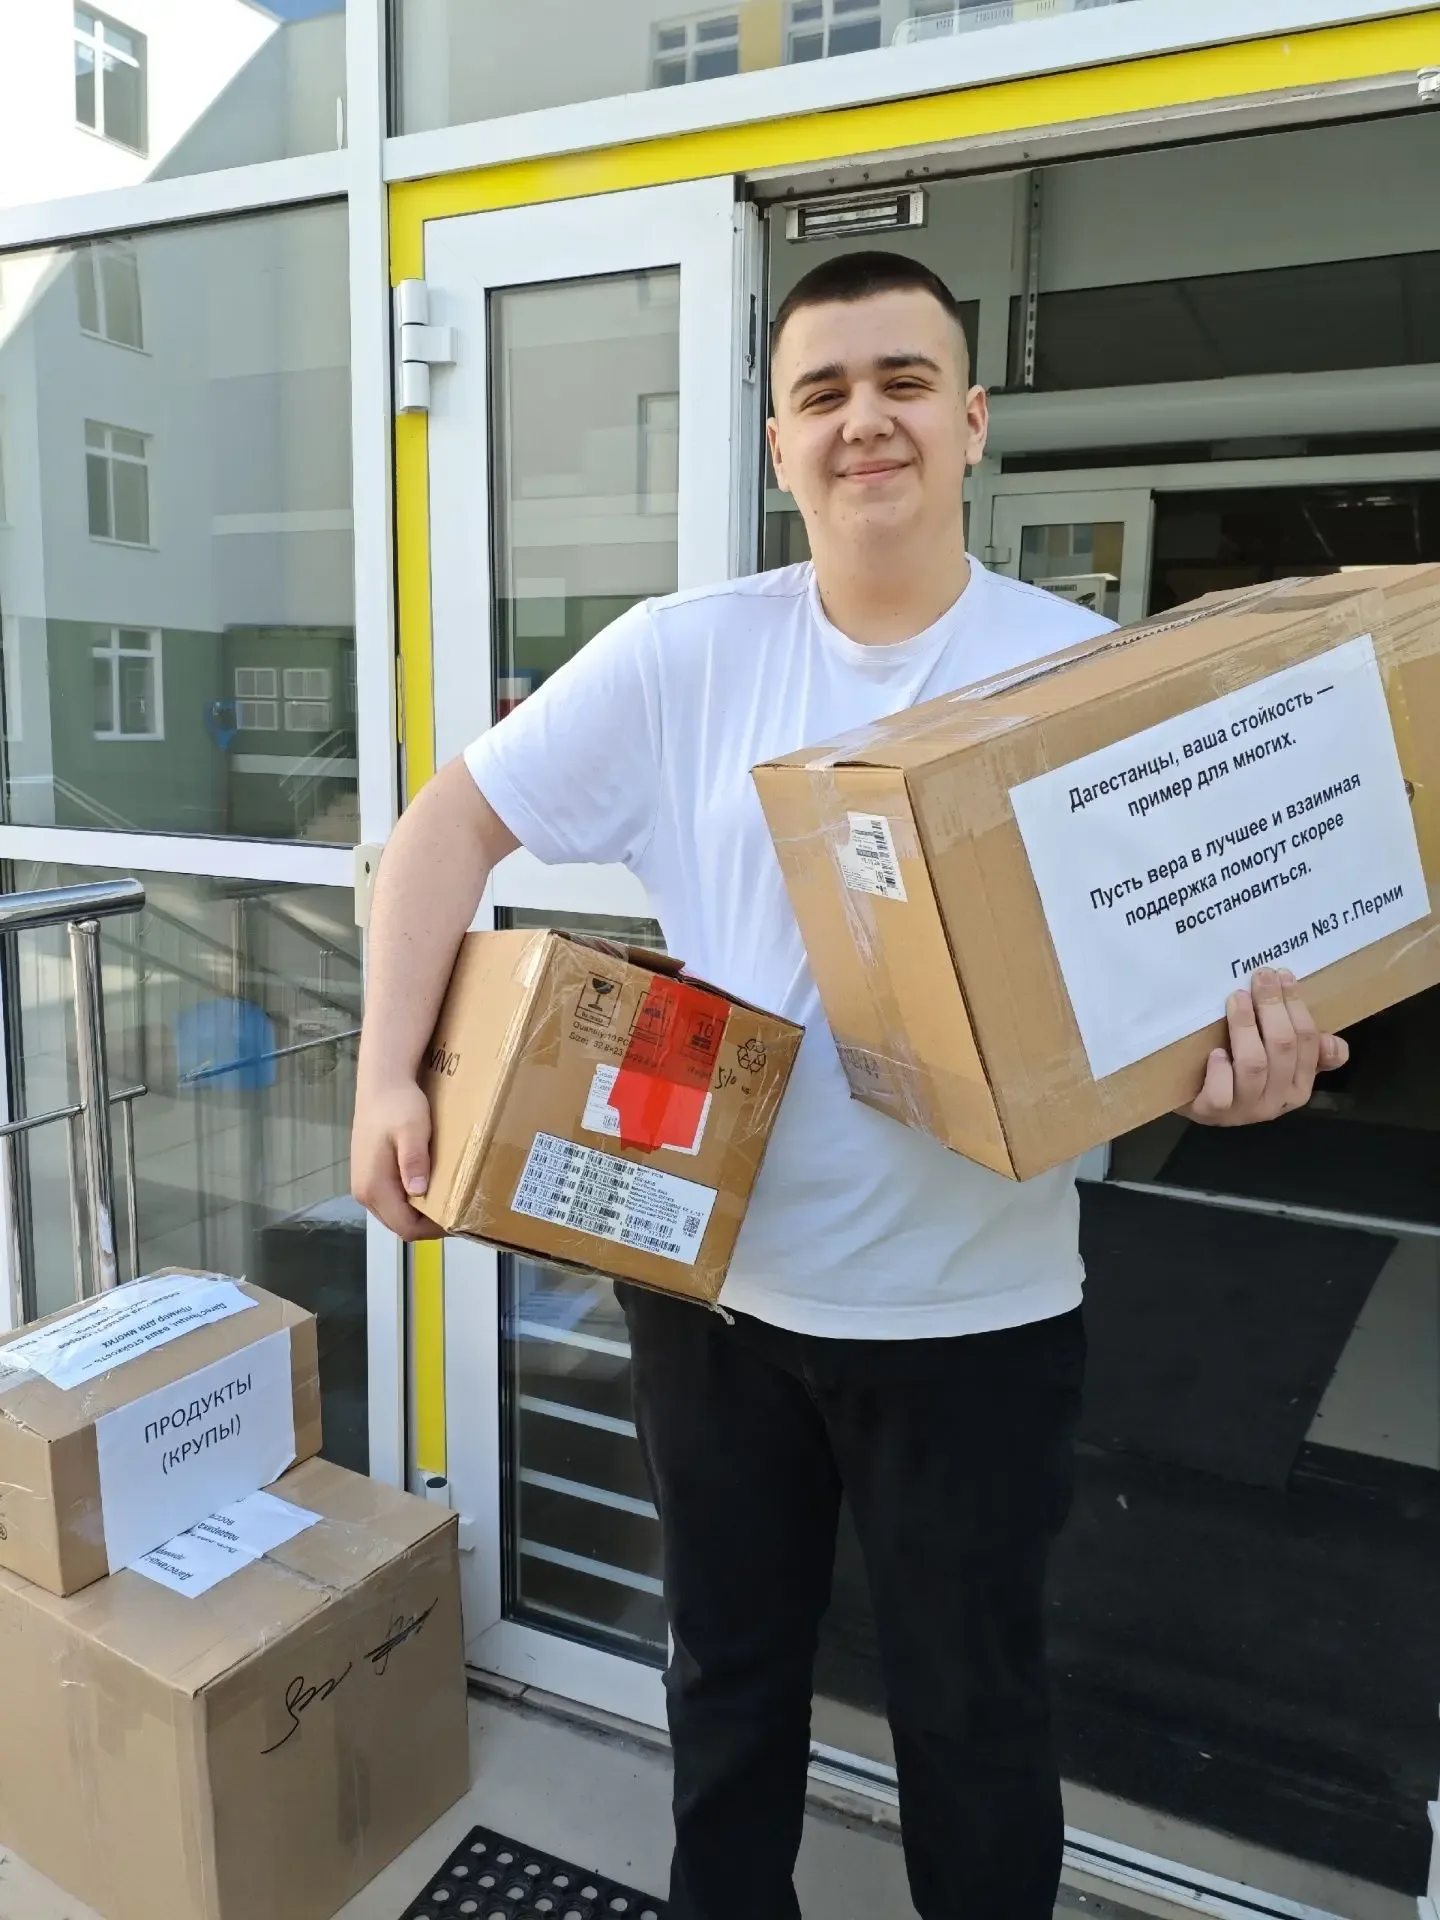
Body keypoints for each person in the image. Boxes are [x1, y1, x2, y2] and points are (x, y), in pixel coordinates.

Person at [352, 251, 1349, 1920]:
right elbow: (446, 826)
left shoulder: (1086, 679)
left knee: (975, 1718)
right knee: (726, 1690)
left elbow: (1201, 986)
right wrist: (390, 1075)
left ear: (973, 424)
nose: (864, 420)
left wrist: (1241, 1078)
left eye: (904, 383)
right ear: (777, 445)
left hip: (978, 1317)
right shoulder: (683, 660)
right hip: (715, 1304)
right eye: (822, 392)